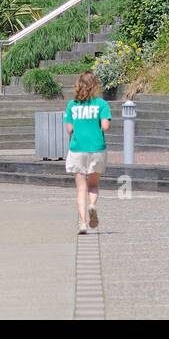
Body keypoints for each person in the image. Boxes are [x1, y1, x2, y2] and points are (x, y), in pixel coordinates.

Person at [64, 71, 111, 234]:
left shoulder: (72, 105)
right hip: (97, 148)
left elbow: (69, 129)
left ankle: (83, 223)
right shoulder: (102, 104)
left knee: (80, 188)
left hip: (77, 149)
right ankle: (92, 205)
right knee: (93, 185)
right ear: (95, 86)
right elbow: (105, 127)